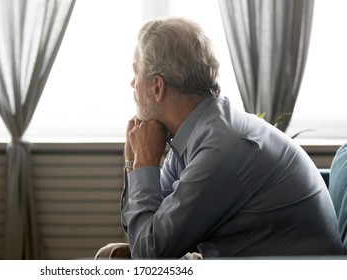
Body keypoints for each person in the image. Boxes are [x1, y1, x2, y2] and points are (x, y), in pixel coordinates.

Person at [97, 17, 343, 259]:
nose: (132, 84)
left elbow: (150, 252)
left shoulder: (223, 148)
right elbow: (145, 230)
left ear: (157, 87)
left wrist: (141, 165)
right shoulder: (195, 133)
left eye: (135, 73)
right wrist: (136, 166)